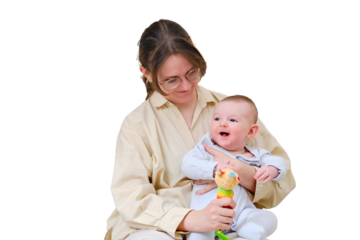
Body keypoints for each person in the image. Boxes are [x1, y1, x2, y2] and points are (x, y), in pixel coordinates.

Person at [104, 17, 296, 240]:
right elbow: (130, 197)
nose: (186, 86)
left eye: (191, 73)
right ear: (145, 72)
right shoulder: (135, 123)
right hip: (156, 227)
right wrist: (190, 219)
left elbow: (284, 181)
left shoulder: (234, 109)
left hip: (229, 224)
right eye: (171, 80)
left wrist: (241, 172)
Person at [182, 94, 287, 240]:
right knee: (198, 234)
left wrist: (272, 169)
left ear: (251, 132)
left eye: (232, 120)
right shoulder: (206, 148)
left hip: (242, 214)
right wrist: (214, 168)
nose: (222, 124)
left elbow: (279, 162)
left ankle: (251, 230)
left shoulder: (254, 154)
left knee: (269, 216)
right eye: (217, 118)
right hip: (208, 215)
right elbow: (187, 165)